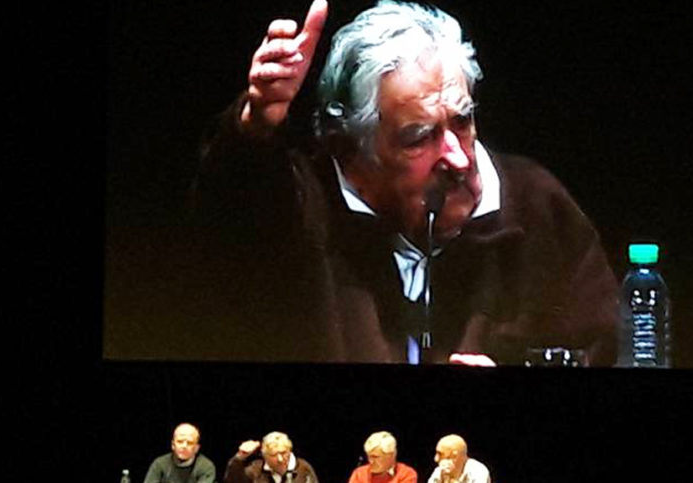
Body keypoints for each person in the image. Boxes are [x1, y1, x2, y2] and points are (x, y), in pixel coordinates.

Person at [188, 0, 620, 365]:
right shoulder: (302, 206)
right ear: (350, 152)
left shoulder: (537, 206)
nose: (457, 158)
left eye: (462, 121)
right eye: (419, 138)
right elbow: (226, 214)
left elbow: (609, 357)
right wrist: (255, 124)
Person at [224, 431, 318, 483]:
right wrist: (239, 458)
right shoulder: (255, 470)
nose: (280, 459)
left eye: (283, 453)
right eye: (273, 455)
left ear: (290, 451)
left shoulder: (303, 468)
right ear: (264, 455)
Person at [143, 423, 217, 483]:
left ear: (196, 448)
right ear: (173, 445)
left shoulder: (206, 466)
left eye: (190, 443)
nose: (184, 446)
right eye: (180, 441)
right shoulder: (159, 464)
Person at [348, 431, 418, 483]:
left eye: (375, 457)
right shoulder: (359, 473)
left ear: (391, 455)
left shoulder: (406, 474)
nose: (370, 461)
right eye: (369, 457)